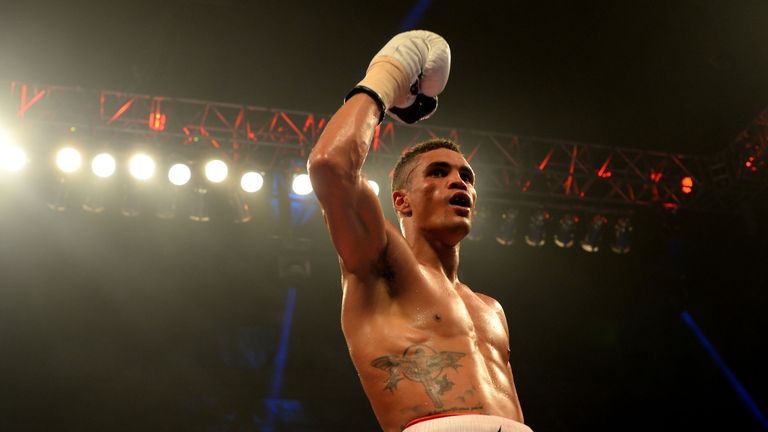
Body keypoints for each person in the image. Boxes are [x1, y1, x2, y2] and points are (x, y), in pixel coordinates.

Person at [307, 30, 532, 432]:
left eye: (466, 176)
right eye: (438, 173)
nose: (459, 182)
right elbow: (330, 166)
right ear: (401, 201)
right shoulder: (381, 263)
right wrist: (388, 76)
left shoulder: (491, 308)